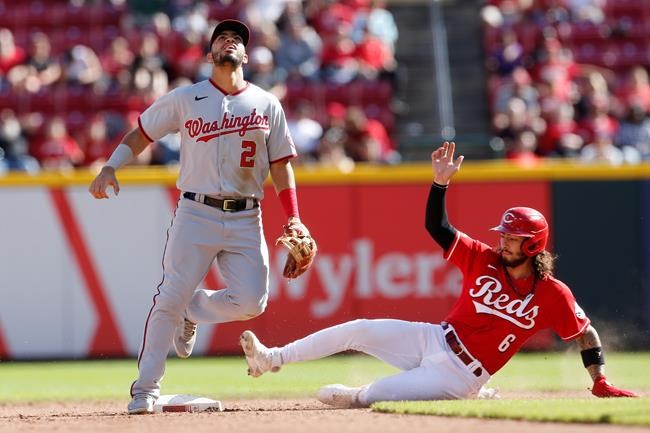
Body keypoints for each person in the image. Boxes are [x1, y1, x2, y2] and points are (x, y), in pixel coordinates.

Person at [239, 141, 638, 408]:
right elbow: (438, 227)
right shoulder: (485, 259)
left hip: (461, 375)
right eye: (503, 235)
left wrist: (598, 378)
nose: (503, 242)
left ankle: (362, 395)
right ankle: (270, 358)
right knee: (357, 328)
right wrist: (439, 184)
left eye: (512, 238)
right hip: (434, 337)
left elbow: (584, 332)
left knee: (376, 395)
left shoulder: (552, 293)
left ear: (532, 245)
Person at [89, 19, 311, 414]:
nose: (230, 42)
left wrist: (294, 217)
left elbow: (281, 165)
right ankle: (146, 389)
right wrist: (111, 165)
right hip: (196, 212)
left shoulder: (266, 103)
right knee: (168, 298)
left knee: (252, 302)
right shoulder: (185, 98)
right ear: (210, 54)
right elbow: (140, 133)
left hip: (246, 215)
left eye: (237, 40)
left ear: (246, 55)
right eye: (222, 38)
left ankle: (193, 310)